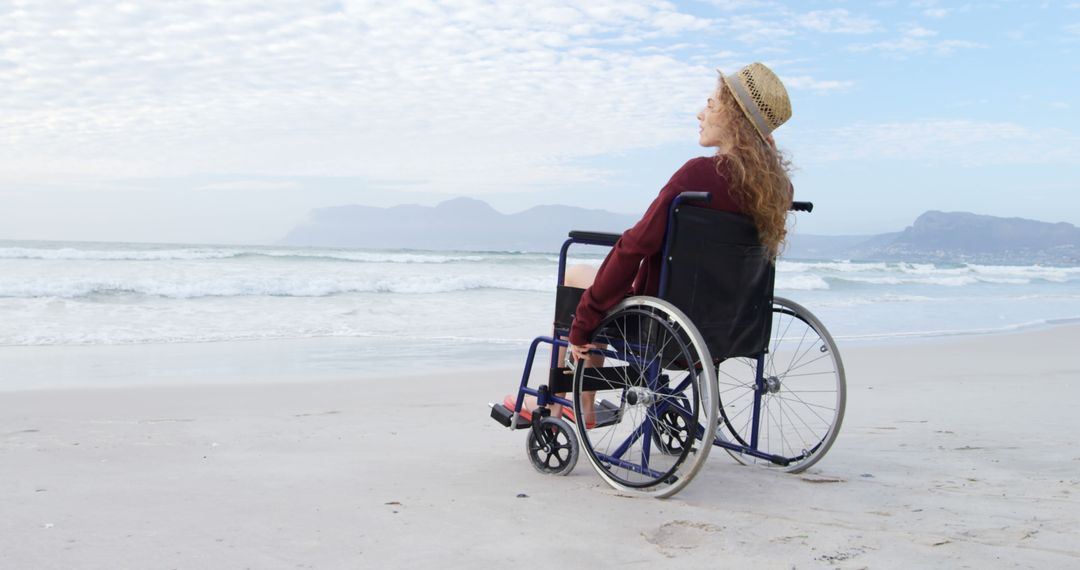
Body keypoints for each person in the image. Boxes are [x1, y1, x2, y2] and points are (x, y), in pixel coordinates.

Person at [516, 62, 793, 428]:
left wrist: (584, 322)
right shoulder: (777, 191)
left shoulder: (699, 175)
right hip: (729, 328)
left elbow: (635, 247)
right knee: (595, 278)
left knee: (576, 273)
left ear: (735, 116)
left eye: (710, 104)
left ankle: (566, 404)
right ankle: (583, 399)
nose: (700, 113)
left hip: (664, 327)